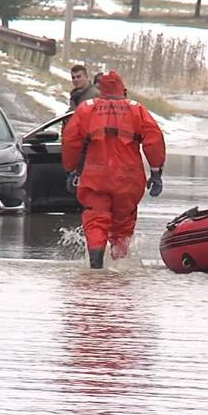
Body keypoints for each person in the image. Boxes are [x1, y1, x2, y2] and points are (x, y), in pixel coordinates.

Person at [62, 71, 166, 269]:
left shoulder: (87, 110)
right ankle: (119, 266)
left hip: (96, 177)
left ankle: (95, 266)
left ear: (101, 89)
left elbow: (71, 141)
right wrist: (156, 172)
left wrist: (71, 170)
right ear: (122, 89)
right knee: (123, 223)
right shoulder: (138, 110)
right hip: (128, 178)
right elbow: (154, 141)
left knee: (95, 220)